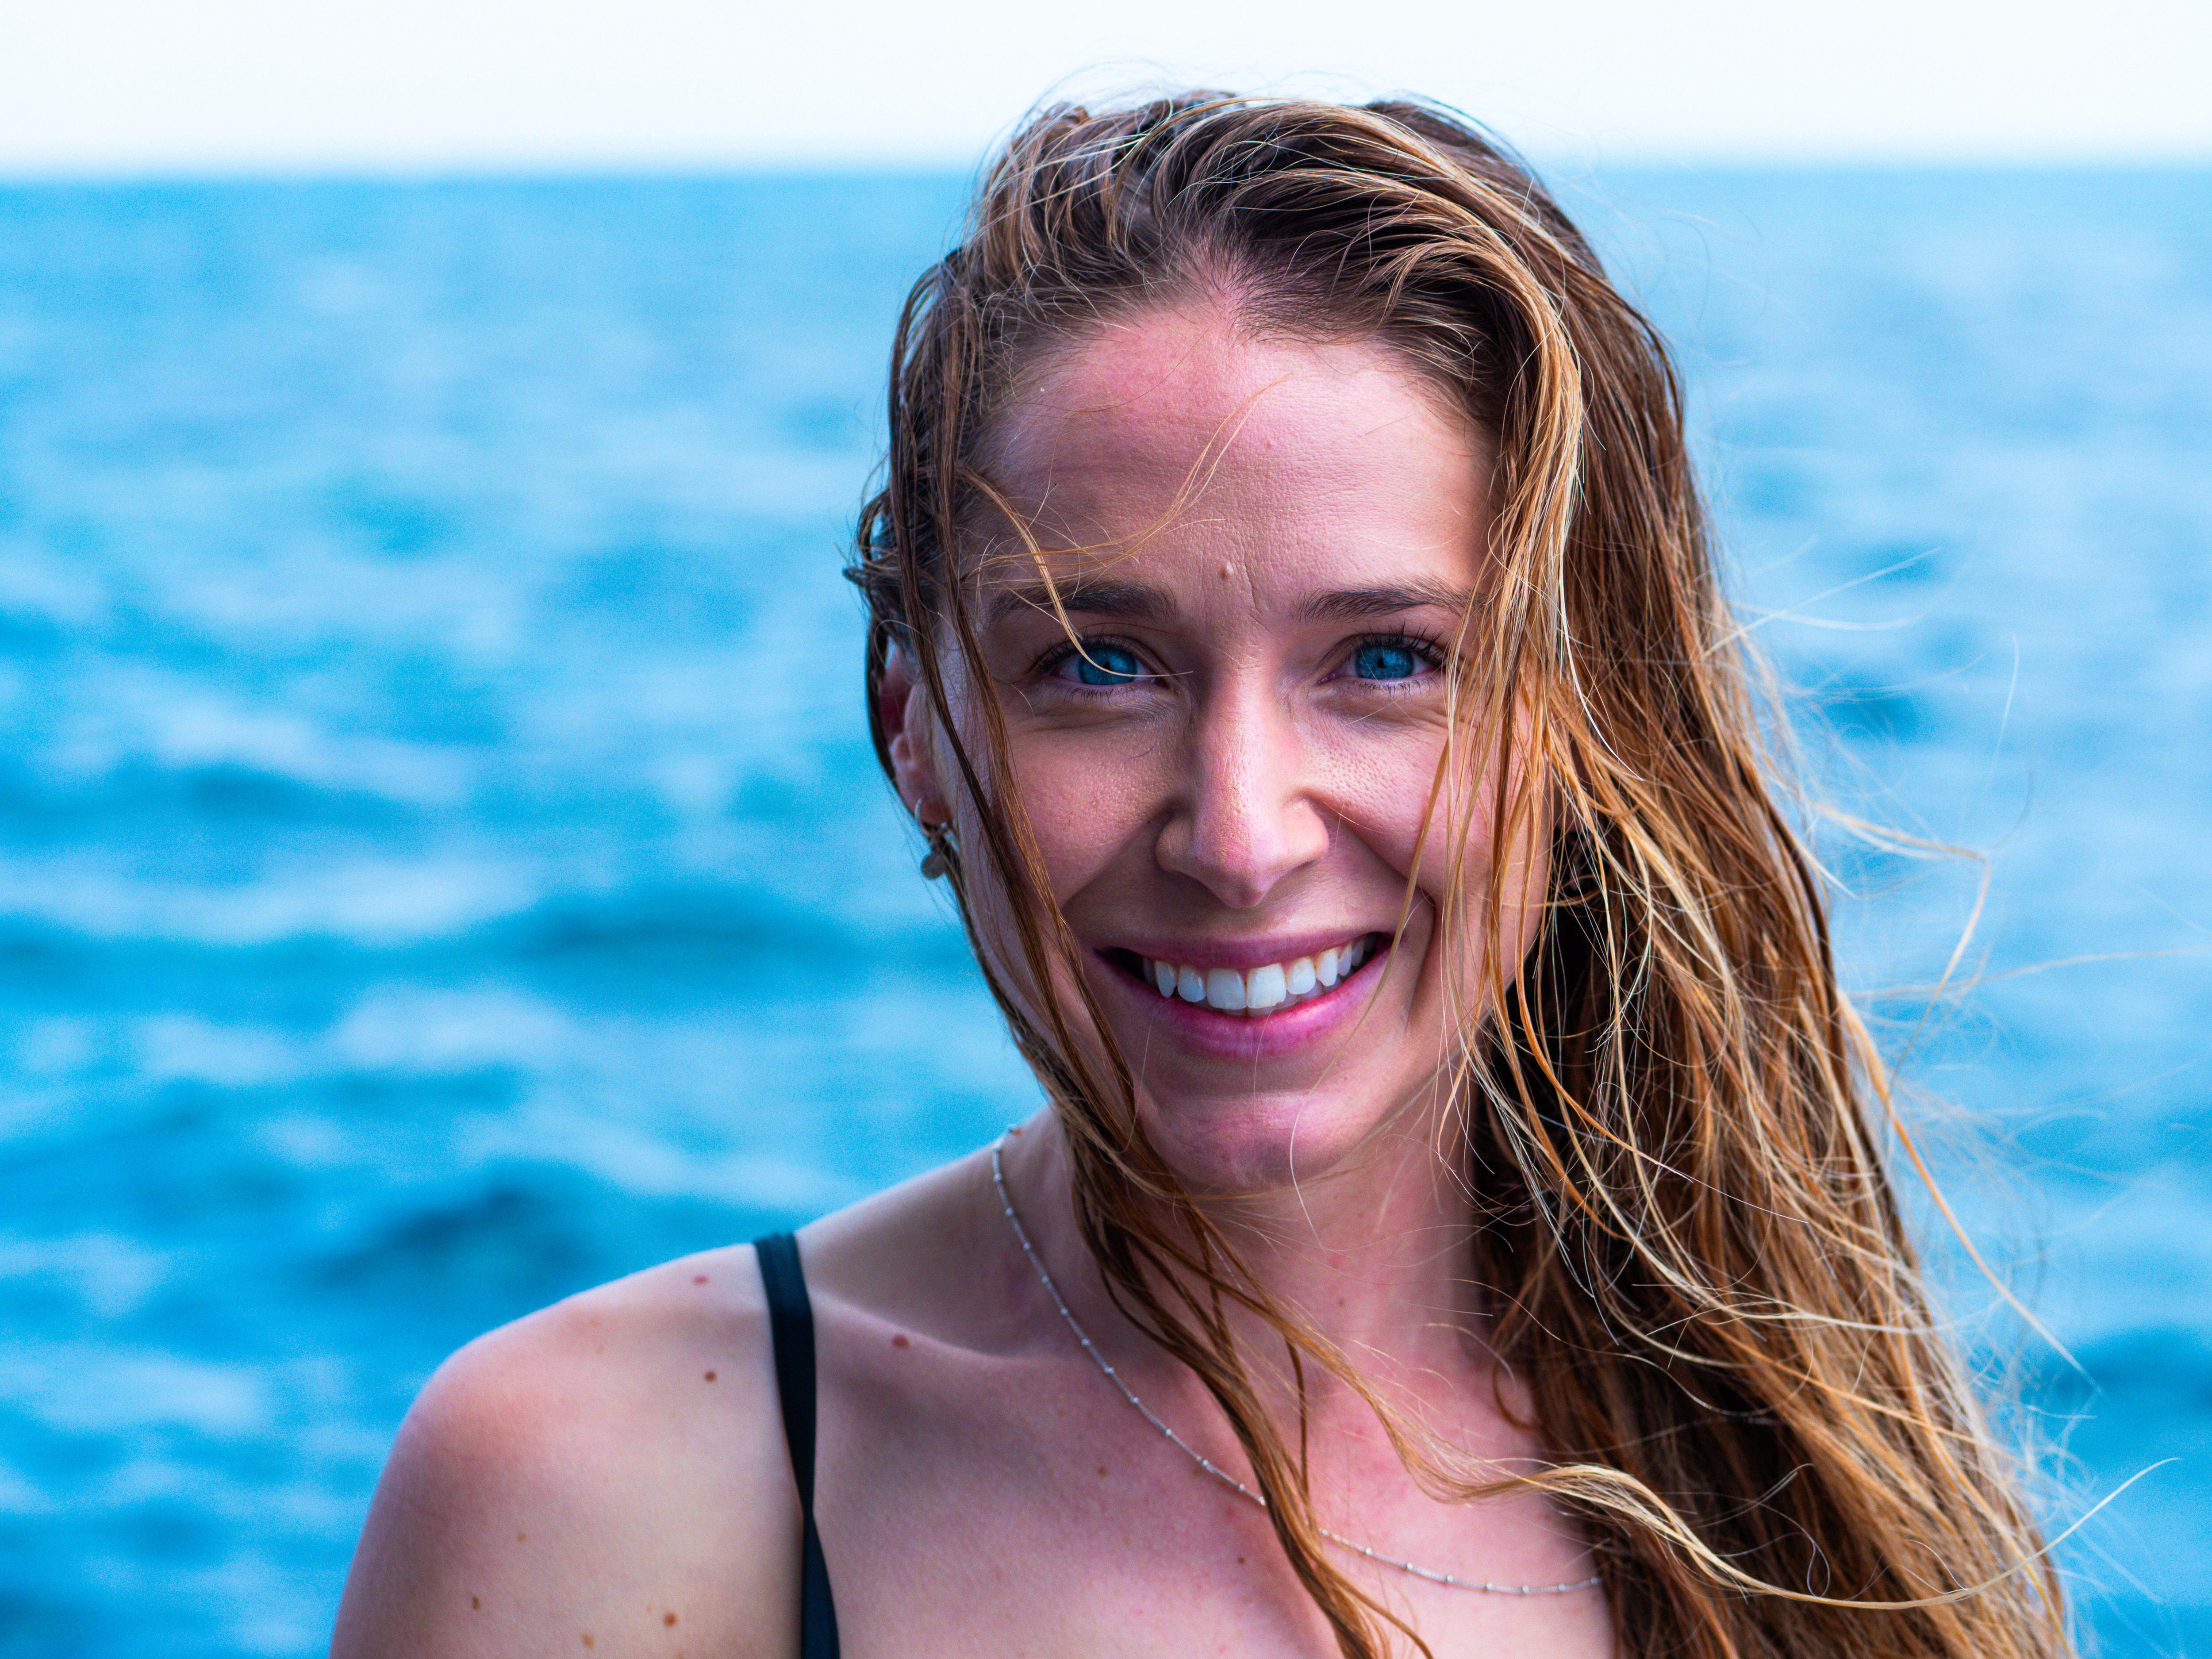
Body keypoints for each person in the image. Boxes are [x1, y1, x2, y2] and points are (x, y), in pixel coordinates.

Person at [331, 93, 2071, 1659]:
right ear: (912, 718)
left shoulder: (1802, 1485)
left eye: (1387, 658)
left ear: (1581, 717)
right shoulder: (606, 1488)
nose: (1238, 835)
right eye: (1099, 663)